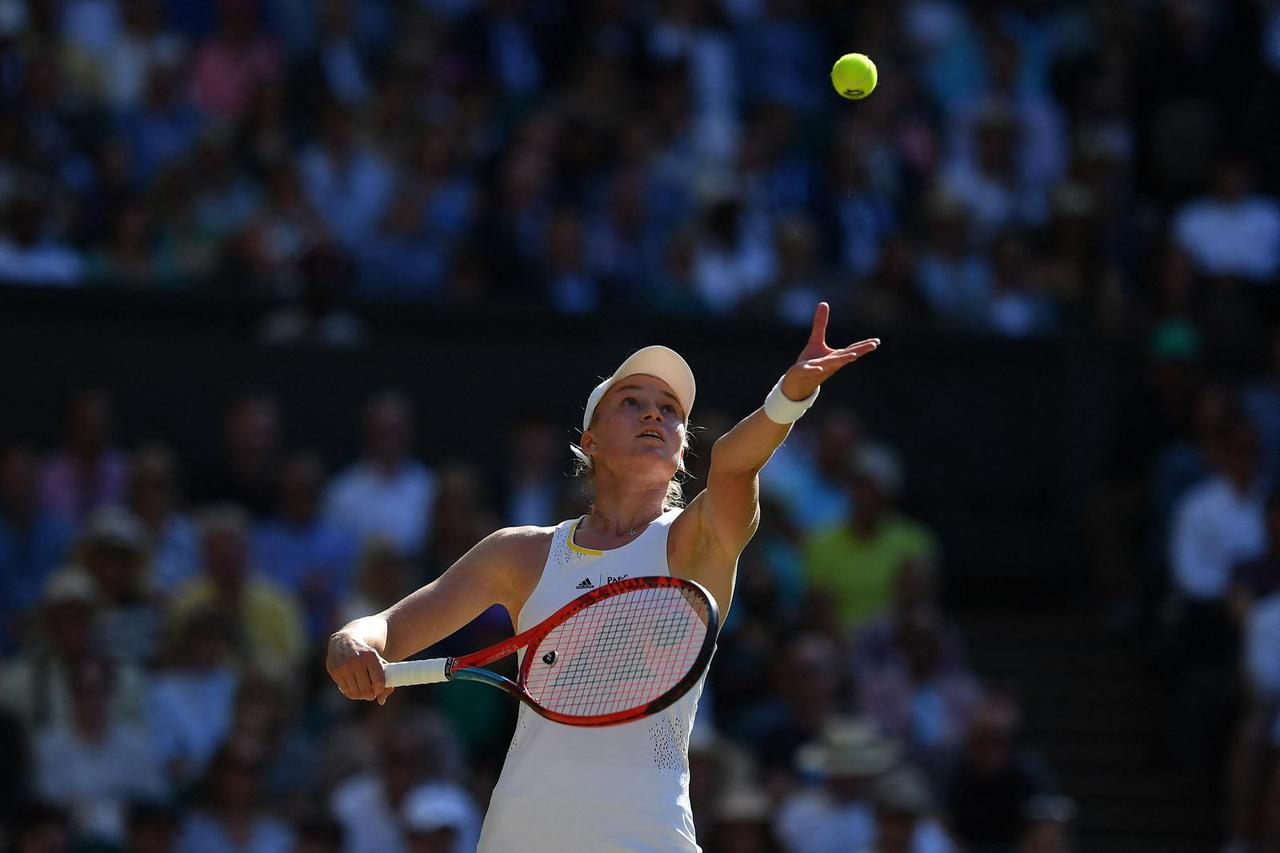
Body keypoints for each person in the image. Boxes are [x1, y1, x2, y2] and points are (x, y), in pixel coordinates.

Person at [326, 302, 880, 851]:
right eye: (631, 402)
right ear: (589, 441)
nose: (653, 415)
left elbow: (735, 463)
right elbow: (386, 631)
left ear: (683, 448)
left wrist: (788, 398)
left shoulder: (698, 542)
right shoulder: (520, 554)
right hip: (522, 835)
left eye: (670, 409)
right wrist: (350, 644)